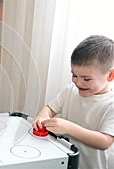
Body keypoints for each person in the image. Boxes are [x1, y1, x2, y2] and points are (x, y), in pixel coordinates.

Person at [33, 35, 114, 169]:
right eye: (74, 75)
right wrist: (42, 116)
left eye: (86, 79)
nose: (77, 82)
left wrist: (69, 128)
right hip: (64, 163)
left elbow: (104, 142)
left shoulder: (110, 104)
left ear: (110, 76)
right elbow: (50, 108)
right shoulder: (71, 90)